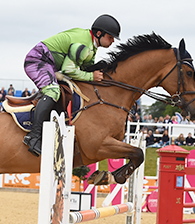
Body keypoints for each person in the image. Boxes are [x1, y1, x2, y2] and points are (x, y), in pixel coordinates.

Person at [22, 14, 121, 156]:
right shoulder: (83, 45)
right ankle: (33, 136)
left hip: (51, 64)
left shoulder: (91, 45)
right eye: (110, 37)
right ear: (99, 33)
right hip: (37, 60)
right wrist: (91, 76)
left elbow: (85, 68)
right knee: (53, 91)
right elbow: (69, 70)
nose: (112, 41)